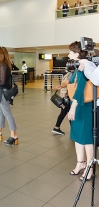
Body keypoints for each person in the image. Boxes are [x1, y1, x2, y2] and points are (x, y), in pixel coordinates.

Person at [67, 41, 93, 181]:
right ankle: (80, 163)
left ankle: (90, 168)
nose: (68, 54)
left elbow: (80, 89)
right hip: (78, 105)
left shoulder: (85, 66)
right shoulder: (78, 66)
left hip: (83, 106)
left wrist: (72, 108)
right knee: (78, 136)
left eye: (70, 52)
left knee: (86, 138)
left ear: (77, 54)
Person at [0, 47, 18, 145]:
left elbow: (1, 82)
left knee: (7, 113)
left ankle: (14, 135)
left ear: (1, 55)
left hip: (2, 92)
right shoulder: (2, 65)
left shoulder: (4, 66)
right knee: (1, 112)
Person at [52, 70, 74, 135]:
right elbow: (65, 84)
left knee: (65, 113)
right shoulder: (71, 74)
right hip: (66, 98)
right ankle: (57, 127)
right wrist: (64, 96)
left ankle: (57, 127)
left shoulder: (67, 74)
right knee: (67, 113)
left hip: (65, 97)